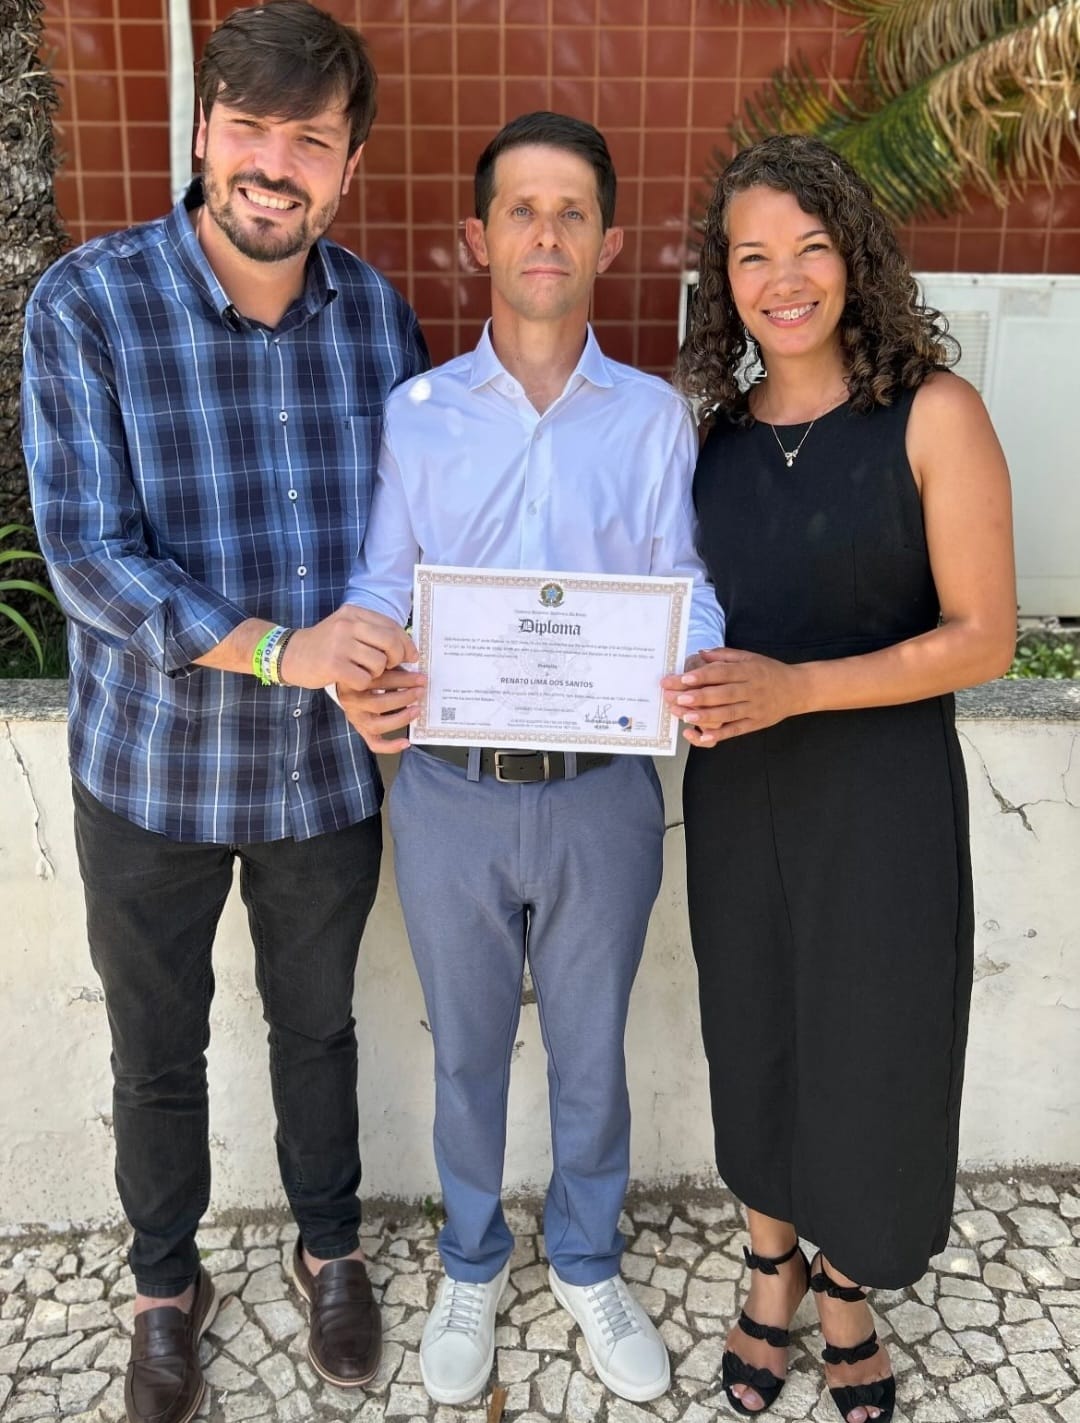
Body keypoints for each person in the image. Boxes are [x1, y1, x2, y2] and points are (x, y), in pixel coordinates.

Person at [22, 4, 427, 1421]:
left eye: (309, 140)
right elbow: (87, 555)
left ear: (350, 164)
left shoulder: (377, 317)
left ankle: (329, 1249)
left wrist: (396, 663)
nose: (274, 164)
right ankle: (164, 1287)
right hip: (153, 775)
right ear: (203, 133)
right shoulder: (88, 303)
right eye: (249, 128)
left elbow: (403, 544)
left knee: (319, 1030)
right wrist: (279, 652)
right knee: (157, 1052)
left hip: (323, 779)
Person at [337, 111, 725, 1407]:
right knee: (462, 1052)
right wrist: (368, 659)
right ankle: (469, 1261)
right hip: (449, 791)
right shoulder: (419, 416)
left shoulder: (655, 419)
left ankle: (586, 1258)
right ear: (479, 237)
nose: (545, 234)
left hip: (602, 796)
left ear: (607, 242)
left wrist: (697, 664)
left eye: (572, 213)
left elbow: (683, 581)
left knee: (591, 1051)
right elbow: (383, 582)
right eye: (521, 210)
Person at [663, 135, 1015, 1423]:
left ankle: (848, 1286)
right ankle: (772, 1271)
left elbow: (984, 638)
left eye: (810, 247)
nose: (785, 279)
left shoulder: (933, 413)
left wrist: (798, 689)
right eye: (752, 255)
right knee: (754, 1034)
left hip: (882, 803)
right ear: (726, 280)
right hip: (739, 797)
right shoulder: (709, 441)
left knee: (875, 1049)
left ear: (853, 258)